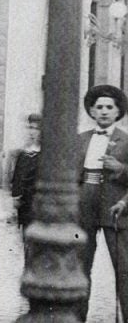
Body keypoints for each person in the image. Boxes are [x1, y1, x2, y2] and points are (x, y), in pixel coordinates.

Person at [76, 85, 128, 322]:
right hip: (83, 210)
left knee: (124, 269)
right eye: (99, 107)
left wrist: (120, 169)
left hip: (114, 210)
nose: (104, 111)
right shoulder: (81, 139)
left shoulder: (125, 140)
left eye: (109, 107)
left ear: (118, 112)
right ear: (92, 111)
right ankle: (76, 318)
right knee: (80, 267)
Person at [11, 113, 41, 241]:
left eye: (36, 129)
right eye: (30, 128)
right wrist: (16, 195)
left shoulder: (44, 155)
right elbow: (17, 176)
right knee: (26, 237)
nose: (32, 132)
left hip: (39, 201)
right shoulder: (23, 154)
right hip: (25, 203)